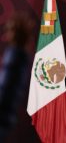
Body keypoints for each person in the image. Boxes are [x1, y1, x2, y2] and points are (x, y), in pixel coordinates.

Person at [0, 11, 34, 142]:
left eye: (9, 31)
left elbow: (4, 87)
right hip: (7, 116)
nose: (5, 35)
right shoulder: (22, 57)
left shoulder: (14, 55)